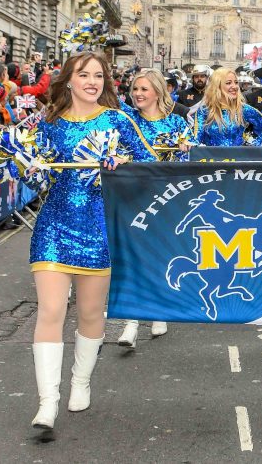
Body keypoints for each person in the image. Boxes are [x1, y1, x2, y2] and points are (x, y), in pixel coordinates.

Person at [21, 52, 157, 431]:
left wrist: (121, 166)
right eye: (85, 75)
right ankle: (47, 402)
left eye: (99, 75)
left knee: (90, 315)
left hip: (99, 226)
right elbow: (36, 180)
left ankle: (80, 382)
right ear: (68, 80)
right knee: (50, 310)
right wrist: (30, 168)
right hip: (54, 226)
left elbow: (148, 168)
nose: (93, 81)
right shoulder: (47, 124)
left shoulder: (118, 120)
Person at [114, 68, 190, 349]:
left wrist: (186, 150)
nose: (137, 94)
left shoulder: (178, 123)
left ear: (158, 91)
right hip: (132, 195)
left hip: (166, 198)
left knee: (159, 255)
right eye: (135, 89)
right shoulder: (126, 119)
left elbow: (191, 160)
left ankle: (158, 309)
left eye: (144, 89)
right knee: (132, 256)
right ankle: (131, 322)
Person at [184, 68, 262, 147]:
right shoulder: (204, 110)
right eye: (228, 83)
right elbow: (196, 139)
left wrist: (252, 144)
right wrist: (186, 142)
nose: (235, 86)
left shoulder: (243, 109)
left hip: (237, 164)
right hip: (212, 164)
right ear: (217, 87)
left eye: (236, 82)